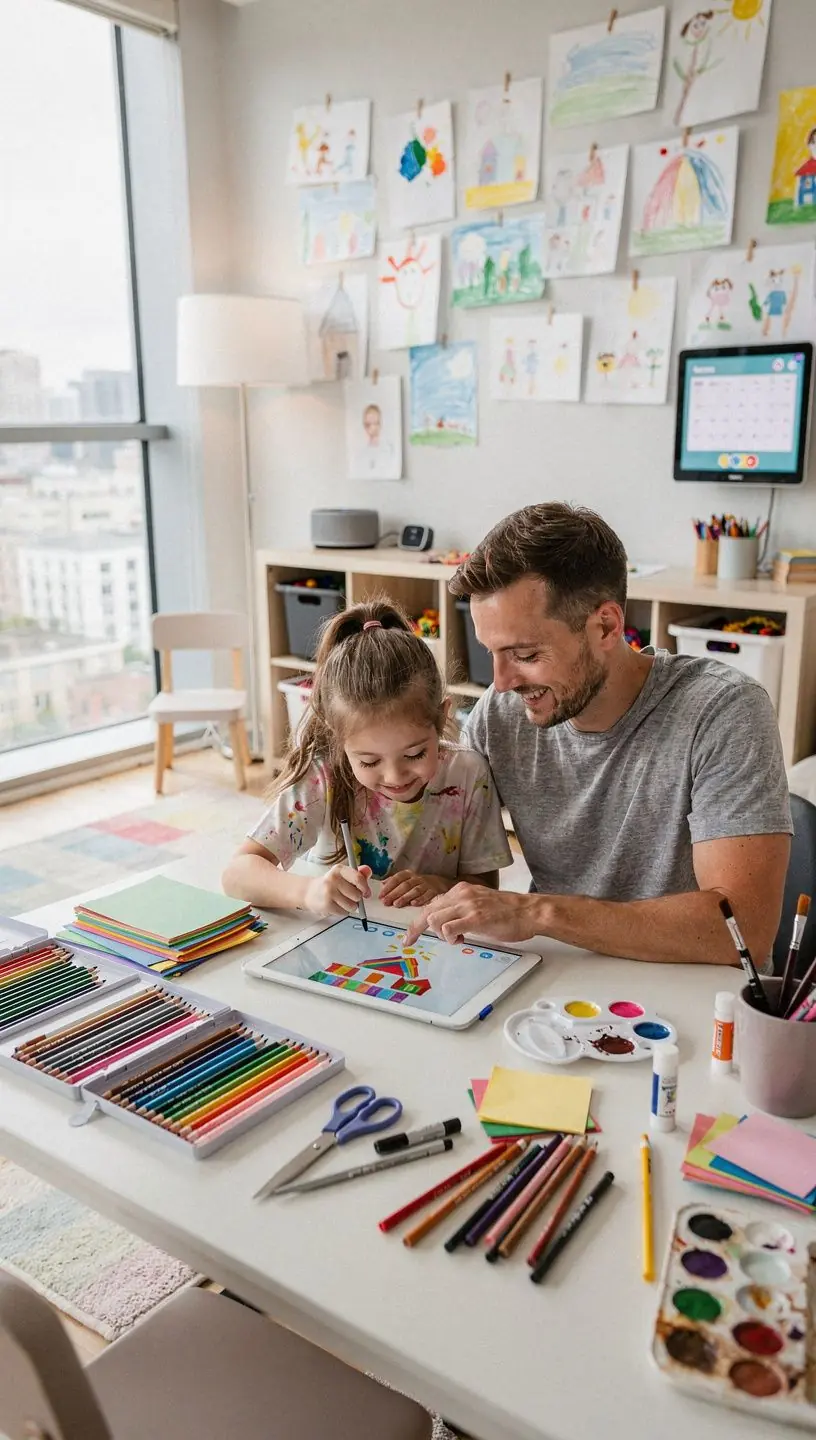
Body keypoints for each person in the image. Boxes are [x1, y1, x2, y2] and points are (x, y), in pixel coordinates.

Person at [406, 503, 791, 966]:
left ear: (605, 626)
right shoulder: (500, 714)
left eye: (525, 655)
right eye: (492, 652)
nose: (502, 682)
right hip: (567, 978)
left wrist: (538, 911)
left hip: (695, 985)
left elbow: (743, 930)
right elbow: (442, 837)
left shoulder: (723, 711)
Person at [223, 599, 512, 917]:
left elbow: (486, 889)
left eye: (415, 753)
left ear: (442, 717)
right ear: (337, 737)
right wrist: (307, 892)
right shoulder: (325, 775)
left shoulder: (468, 773)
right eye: (370, 762)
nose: (395, 776)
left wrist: (441, 886)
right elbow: (237, 874)